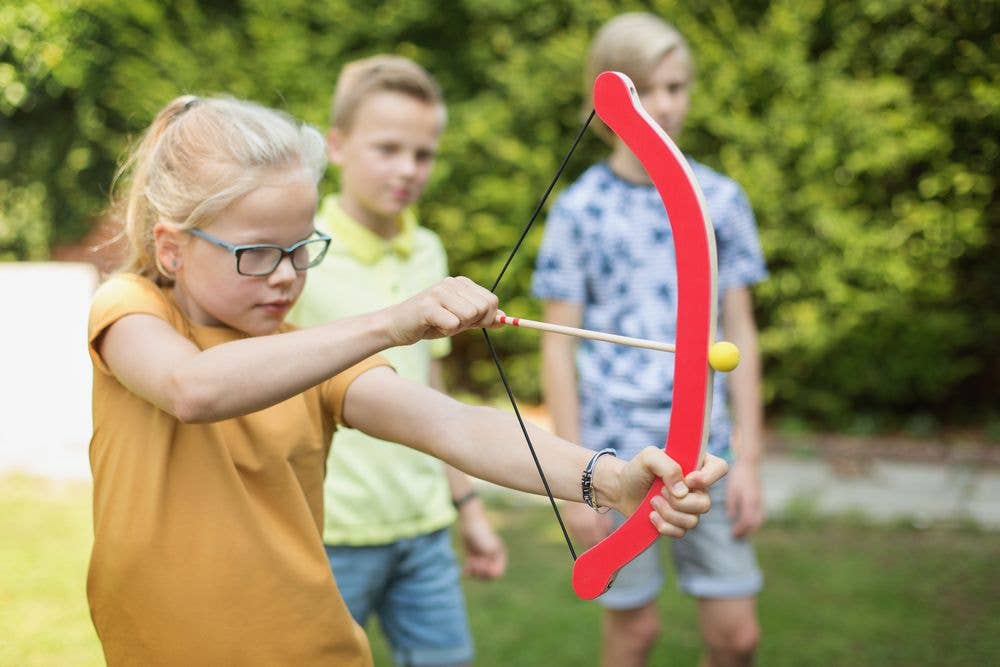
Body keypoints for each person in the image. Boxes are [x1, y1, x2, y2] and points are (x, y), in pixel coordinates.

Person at [86, 93, 729, 666]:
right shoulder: (130, 310)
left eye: (301, 248)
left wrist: (611, 479)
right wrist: (392, 322)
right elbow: (190, 389)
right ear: (172, 248)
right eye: (257, 253)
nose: (286, 275)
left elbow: (451, 425)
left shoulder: (307, 355)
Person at [532, 13, 768, 667]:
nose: (664, 104)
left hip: (707, 454)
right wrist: (575, 477)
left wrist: (748, 457)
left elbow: (739, 330)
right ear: (606, 99)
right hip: (616, 455)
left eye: (675, 85)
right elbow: (557, 345)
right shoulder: (581, 207)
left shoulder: (719, 198)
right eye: (643, 90)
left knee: (736, 636)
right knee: (632, 635)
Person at [288, 55, 505, 667]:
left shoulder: (429, 250)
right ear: (336, 146)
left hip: (424, 528)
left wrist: (468, 510)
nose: (408, 169)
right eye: (387, 148)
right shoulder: (297, 253)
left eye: (423, 153)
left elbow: (433, 390)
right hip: (328, 533)